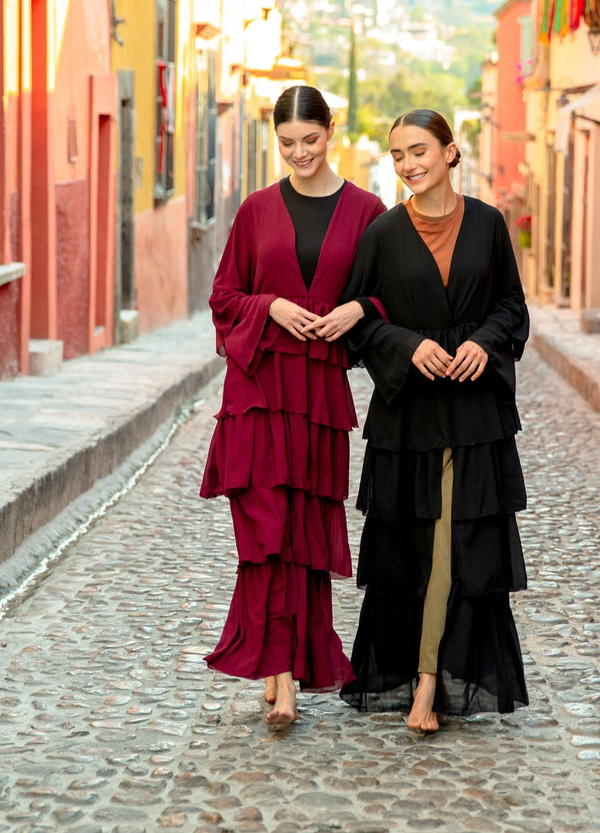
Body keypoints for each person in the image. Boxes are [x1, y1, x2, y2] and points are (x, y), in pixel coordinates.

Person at [339, 108, 529, 732]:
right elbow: (357, 321)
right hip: (410, 416)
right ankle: (425, 677)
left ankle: (430, 682)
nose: (408, 164)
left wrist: (485, 341)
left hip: (477, 414)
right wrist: (405, 344)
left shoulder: (489, 225)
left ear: (451, 152)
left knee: (459, 543)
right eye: (397, 156)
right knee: (416, 548)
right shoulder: (383, 234)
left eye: (419, 150)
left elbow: (511, 306)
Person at [200, 84, 385, 726]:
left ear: (330, 133)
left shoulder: (367, 212)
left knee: (303, 537)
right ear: (274, 140)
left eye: (310, 140)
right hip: (257, 392)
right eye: (286, 143)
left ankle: (292, 666)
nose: (299, 153)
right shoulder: (255, 210)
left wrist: (355, 309)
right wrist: (269, 305)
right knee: (264, 533)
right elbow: (225, 296)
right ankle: (278, 674)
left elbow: (391, 296)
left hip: (318, 398)